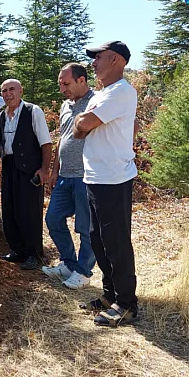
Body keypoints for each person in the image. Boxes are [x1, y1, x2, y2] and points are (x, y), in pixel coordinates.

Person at [73, 40, 139, 327]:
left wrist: (84, 122)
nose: (94, 63)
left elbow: (83, 125)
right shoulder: (103, 94)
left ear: (116, 60)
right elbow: (81, 126)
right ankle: (110, 294)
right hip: (95, 176)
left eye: (98, 57)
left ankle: (126, 304)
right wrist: (84, 122)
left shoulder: (122, 92)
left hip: (114, 178)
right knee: (98, 240)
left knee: (116, 243)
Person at [0, 79, 52, 270]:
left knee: (29, 212)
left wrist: (45, 169)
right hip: (9, 166)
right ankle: (18, 250)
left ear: (20, 91)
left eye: (11, 89)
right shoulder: (1, 117)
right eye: (4, 91)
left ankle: (34, 254)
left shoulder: (33, 111)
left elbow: (46, 143)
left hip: (30, 169)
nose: (7, 94)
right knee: (10, 210)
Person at [41, 63, 96, 289]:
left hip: (87, 176)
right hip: (64, 175)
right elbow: (63, 138)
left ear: (81, 80)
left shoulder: (96, 101)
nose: (62, 89)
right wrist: (54, 170)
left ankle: (83, 272)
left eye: (66, 84)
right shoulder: (65, 105)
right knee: (52, 219)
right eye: (60, 84)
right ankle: (68, 263)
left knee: (86, 227)